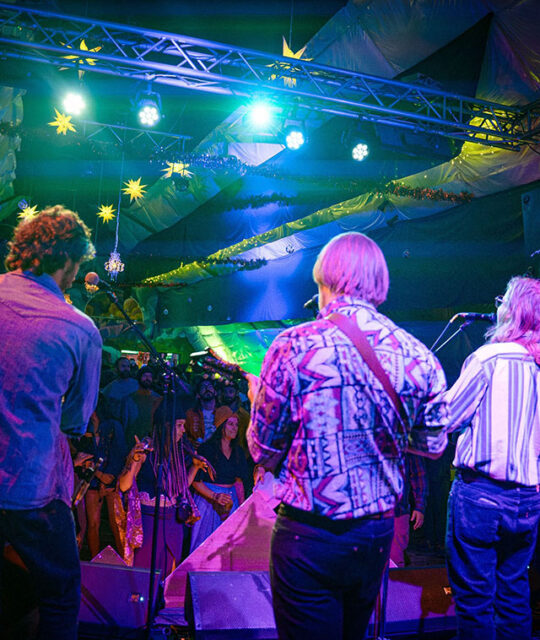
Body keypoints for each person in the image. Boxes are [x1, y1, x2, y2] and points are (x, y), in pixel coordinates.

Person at [247, 232, 447, 640]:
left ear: (324, 281)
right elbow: (432, 445)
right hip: (374, 537)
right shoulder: (417, 354)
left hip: (308, 535)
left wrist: (257, 401)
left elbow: (261, 451)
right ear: (379, 283)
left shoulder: (293, 346)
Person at [0, 206, 101, 640]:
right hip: (29, 488)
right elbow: (76, 419)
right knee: (60, 594)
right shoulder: (79, 328)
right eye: (77, 266)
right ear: (67, 260)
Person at [442, 276, 540, 640]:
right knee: (515, 597)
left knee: (475, 601)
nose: (496, 305)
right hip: (528, 500)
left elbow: (447, 419)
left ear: (513, 312)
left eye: (503, 300)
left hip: (481, 497)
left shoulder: (490, 358)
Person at [116, 403, 211, 577]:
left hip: (171, 521)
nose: (184, 430)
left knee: (167, 572)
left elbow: (179, 489)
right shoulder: (146, 448)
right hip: (150, 520)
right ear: (166, 426)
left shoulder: (178, 452)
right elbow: (124, 485)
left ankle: (160, 604)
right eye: (179, 425)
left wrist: (195, 468)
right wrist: (135, 460)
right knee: (144, 573)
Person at [190, 410, 249, 551]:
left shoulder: (238, 452)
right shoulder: (207, 449)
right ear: (221, 425)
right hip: (208, 499)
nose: (234, 428)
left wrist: (240, 507)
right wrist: (215, 496)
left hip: (230, 498)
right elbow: (195, 481)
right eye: (230, 424)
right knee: (205, 545)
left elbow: (239, 482)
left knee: (227, 547)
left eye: (236, 424)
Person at [75, 394, 126, 558]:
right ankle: (96, 560)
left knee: (116, 524)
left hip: (111, 480)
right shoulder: (84, 428)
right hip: (91, 481)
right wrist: (97, 473)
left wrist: (108, 477)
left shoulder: (112, 426)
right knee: (93, 523)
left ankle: (124, 561)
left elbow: (118, 453)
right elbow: (83, 457)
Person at [121, 365, 162, 447]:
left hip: (152, 441)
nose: (147, 378)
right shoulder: (129, 399)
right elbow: (124, 423)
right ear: (139, 378)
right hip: (132, 440)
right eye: (144, 376)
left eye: (150, 376)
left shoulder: (158, 399)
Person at [185, 377, 232, 447]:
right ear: (198, 395)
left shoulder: (225, 412)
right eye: (203, 387)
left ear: (215, 392)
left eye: (210, 387)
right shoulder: (190, 414)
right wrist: (191, 443)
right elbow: (184, 437)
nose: (207, 389)